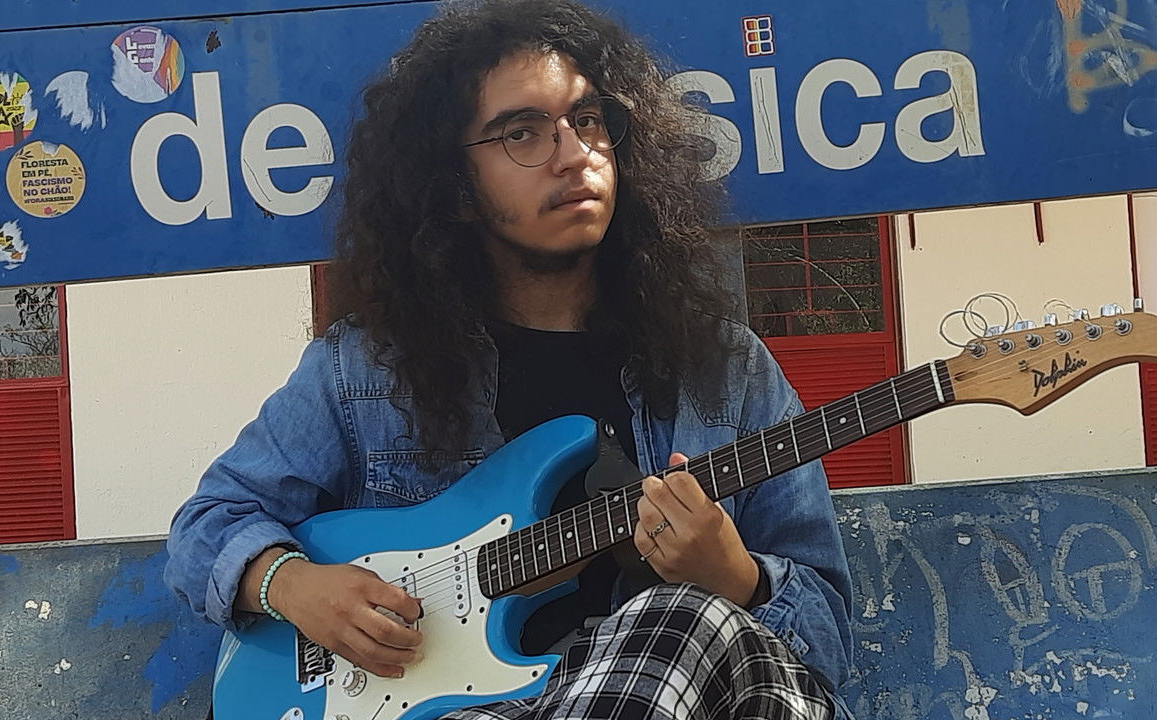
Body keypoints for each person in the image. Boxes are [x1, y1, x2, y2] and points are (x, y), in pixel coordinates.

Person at [165, 0, 854, 717]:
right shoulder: (366, 369)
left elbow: (824, 650)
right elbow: (209, 523)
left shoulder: (727, 369)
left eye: (588, 121)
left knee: (688, 621)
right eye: (523, 132)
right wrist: (291, 585)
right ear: (456, 189)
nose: (574, 154)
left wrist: (737, 580)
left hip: (677, 685)